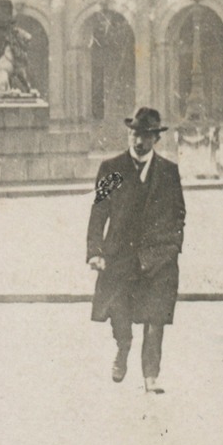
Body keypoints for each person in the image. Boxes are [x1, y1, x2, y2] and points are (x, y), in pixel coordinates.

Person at [88, 107, 187, 394]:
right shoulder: (114, 170)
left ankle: (151, 376)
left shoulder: (168, 173)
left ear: (155, 139)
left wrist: (172, 246)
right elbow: (99, 211)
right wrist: (95, 250)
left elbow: (178, 214)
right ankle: (123, 345)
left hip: (158, 258)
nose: (138, 141)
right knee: (119, 311)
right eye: (134, 134)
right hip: (120, 256)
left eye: (145, 136)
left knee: (156, 318)